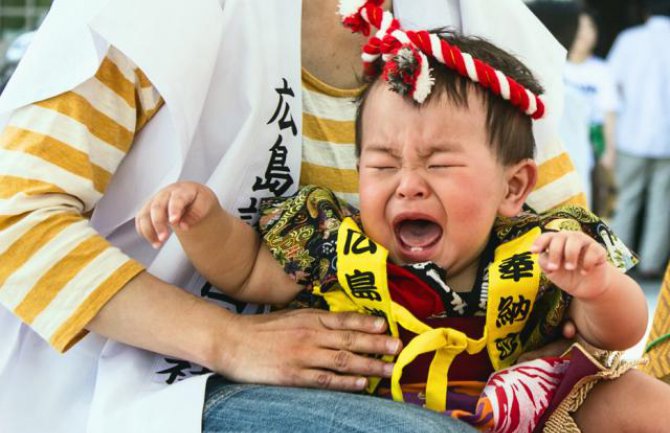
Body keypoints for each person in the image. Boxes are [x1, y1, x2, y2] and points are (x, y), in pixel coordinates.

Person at [0, 1, 584, 432]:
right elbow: (15, 218)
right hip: (160, 376)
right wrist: (227, 339)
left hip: (435, 375)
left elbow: (566, 235)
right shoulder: (154, 12)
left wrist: (541, 358)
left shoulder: (474, 20)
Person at [136, 19, 652, 432]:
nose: (407, 185)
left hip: (512, 404)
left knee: (640, 398)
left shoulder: (535, 251)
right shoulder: (339, 245)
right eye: (382, 165)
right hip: (366, 410)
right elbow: (247, 269)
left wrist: (598, 288)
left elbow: (618, 333)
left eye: (439, 164)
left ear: (513, 188)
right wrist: (202, 220)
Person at [608, 0, 670, 279]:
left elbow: (611, 84)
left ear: (646, 11)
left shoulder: (629, 40)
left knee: (625, 200)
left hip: (630, 135)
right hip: (667, 140)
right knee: (662, 204)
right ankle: (651, 266)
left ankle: (616, 264)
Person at [566, 9, 619, 217]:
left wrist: (608, 155)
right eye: (579, 26)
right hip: (560, 145)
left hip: (590, 146)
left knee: (589, 206)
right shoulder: (556, 65)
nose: (583, 32)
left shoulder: (602, 71)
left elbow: (609, 115)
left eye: (589, 27)